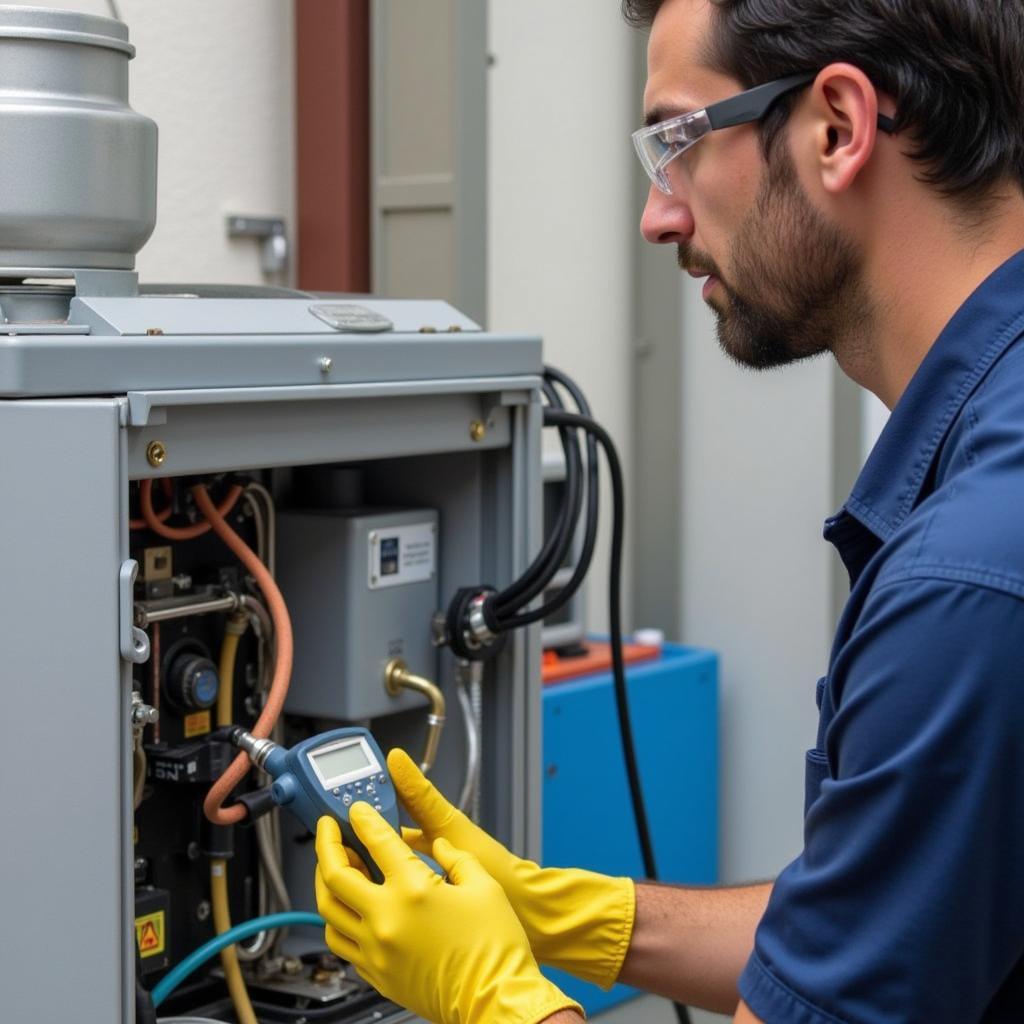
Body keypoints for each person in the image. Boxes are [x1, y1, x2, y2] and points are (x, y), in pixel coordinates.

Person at [315, 1, 1024, 1021]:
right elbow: (887, 922)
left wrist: (494, 1000)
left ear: (837, 126)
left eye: (676, 141)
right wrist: (566, 914)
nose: (658, 214)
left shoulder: (966, 581)